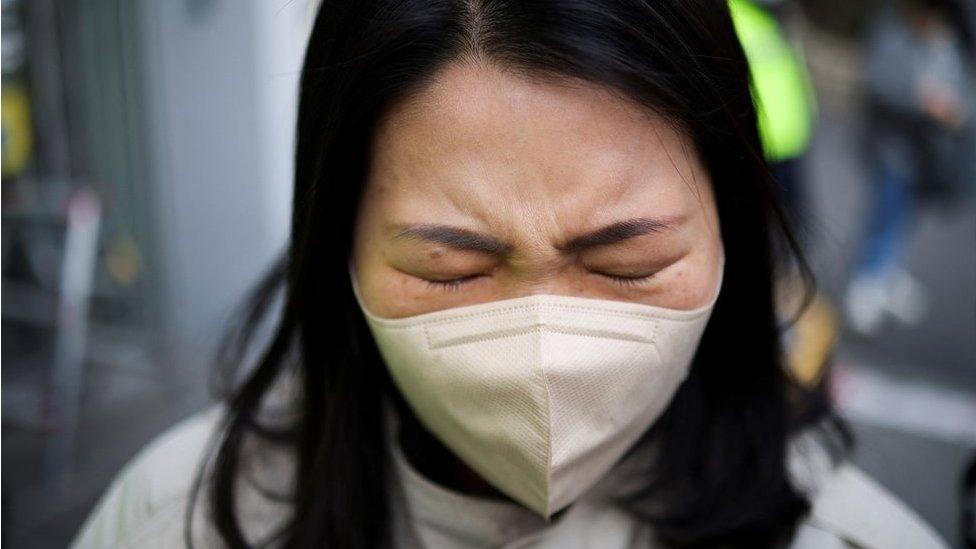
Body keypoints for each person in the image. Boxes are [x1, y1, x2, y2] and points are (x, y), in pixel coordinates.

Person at [70, 1, 949, 547]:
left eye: (626, 261)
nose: (545, 353)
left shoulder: (846, 537)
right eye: (451, 270)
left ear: (731, 234)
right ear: (338, 243)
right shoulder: (178, 519)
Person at [844, 0, 976, 336]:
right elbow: (879, 80)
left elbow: (963, 90)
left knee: (903, 220)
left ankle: (886, 274)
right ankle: (866, 287)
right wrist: (922, 102)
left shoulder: (951, 41)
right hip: (895, 151)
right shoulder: (894, 31)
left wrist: (957, 111)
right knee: (885, 218)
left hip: (927, 157)